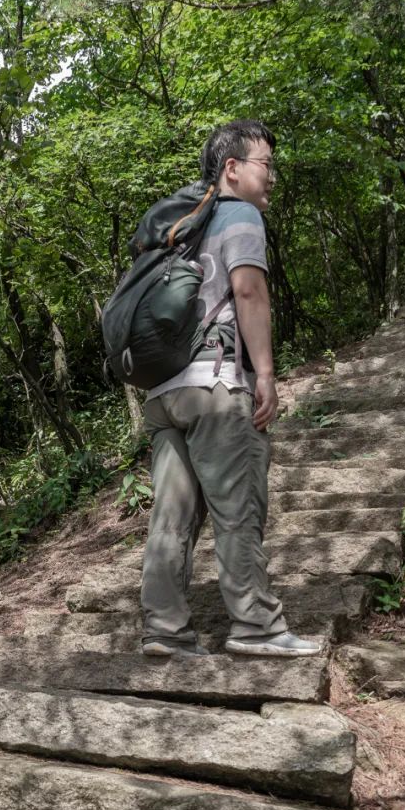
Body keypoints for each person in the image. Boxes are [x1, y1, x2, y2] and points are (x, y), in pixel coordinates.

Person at [139, 119, 321, 659]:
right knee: (238, 506)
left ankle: (165, 630)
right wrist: (265, 373)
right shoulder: (239, 214)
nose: (273, 177)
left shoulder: (178, 227)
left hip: (164, 390)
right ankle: (256, 627)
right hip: (215, 384)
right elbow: (248, 291)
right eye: (266, 164)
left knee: (170, 518)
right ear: (233, 168)